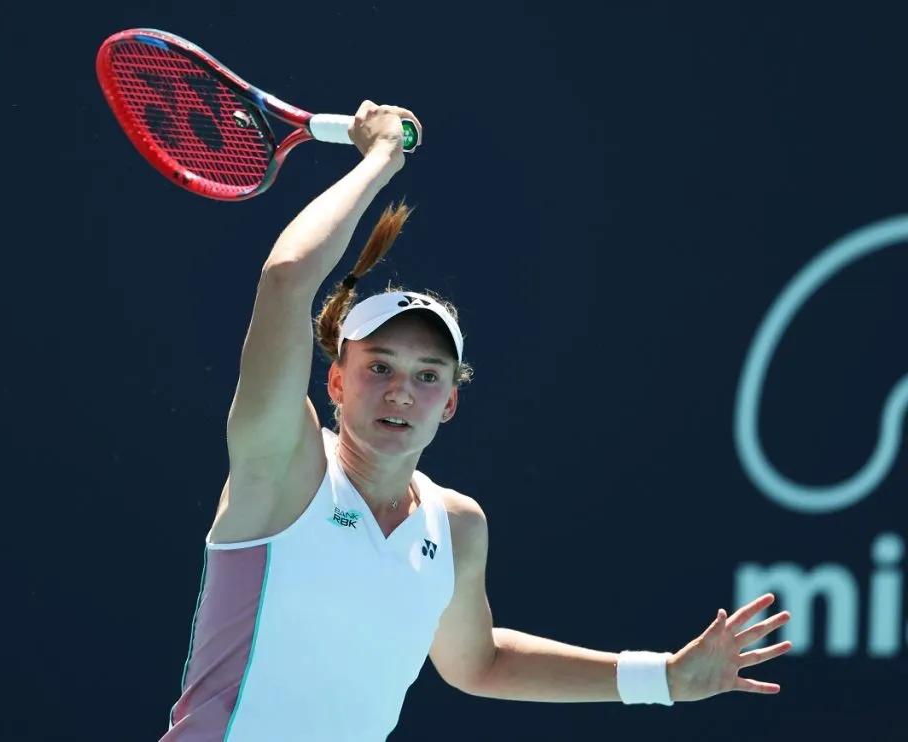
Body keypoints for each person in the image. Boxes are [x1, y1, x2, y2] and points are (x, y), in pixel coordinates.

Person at [158, 101, 793, 742]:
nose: (402, 393)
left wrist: (665, 680)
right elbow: (288, 278)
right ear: (336, 382)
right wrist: (379, 159)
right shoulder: (284, 466)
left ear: (450, 403)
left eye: (427, 376)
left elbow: (478, 662)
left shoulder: (456, 527)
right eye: (380, 367)